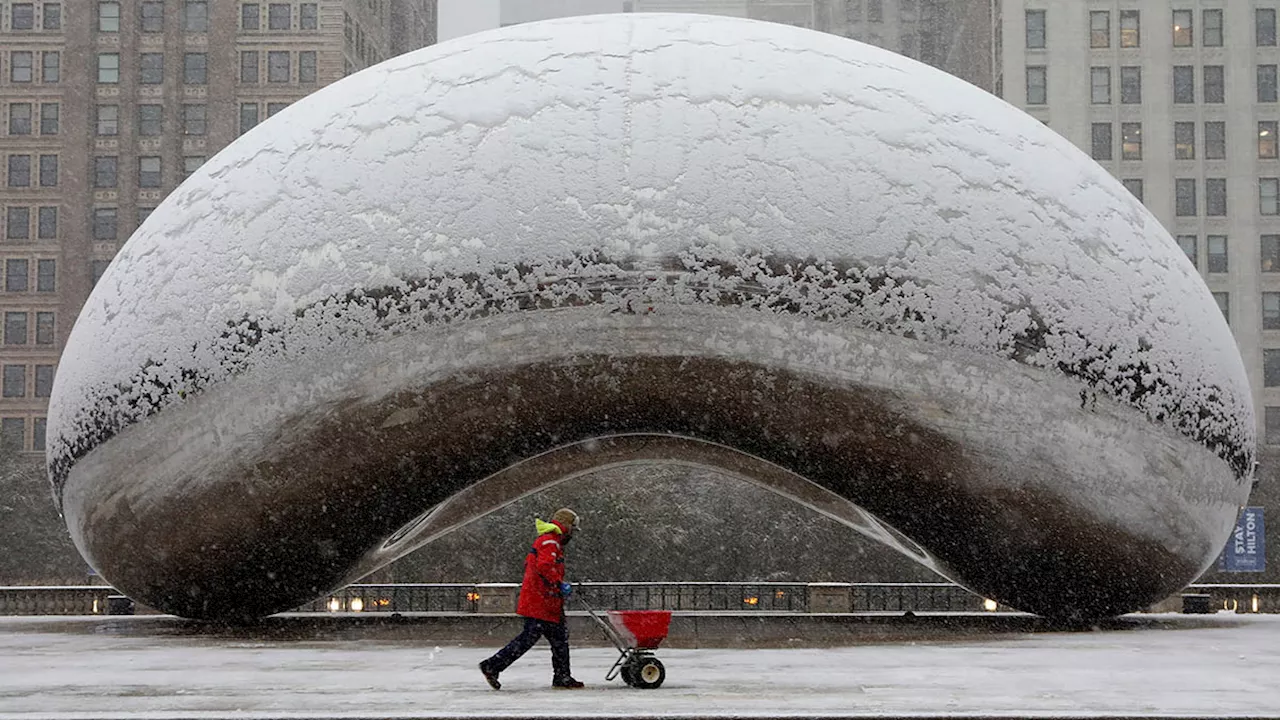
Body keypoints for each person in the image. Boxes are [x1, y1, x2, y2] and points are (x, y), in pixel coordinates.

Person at [479, 508, 584, 689]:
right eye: (573, 529)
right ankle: (492, 665)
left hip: (546, 601)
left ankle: (562, 676)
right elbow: (545, 567)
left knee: (558, 638)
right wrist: (559, 584)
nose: (573, 534)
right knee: (531, 639)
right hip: (541, 602)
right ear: (566, 526)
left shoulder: (551, 541)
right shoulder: (550, 542)